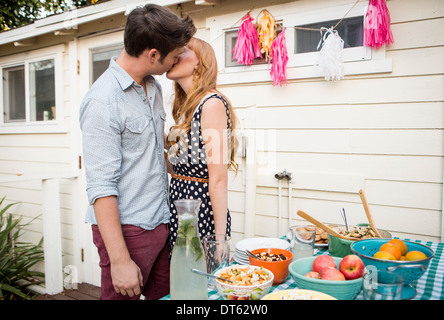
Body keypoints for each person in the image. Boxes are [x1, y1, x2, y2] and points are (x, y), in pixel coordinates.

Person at [79, 4, 195, 300]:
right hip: (128, 230)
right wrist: (119, 261)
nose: (177, 60)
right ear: (153, 54)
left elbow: (152, 154)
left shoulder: (153, 86)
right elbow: (101, 187)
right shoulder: (102, 102)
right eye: (173, 55)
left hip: (162, 219)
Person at [166, 37, 238, 250]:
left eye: (183, 49)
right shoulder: (187, 108)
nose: (175, 53)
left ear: (199, 63)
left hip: (199, 213)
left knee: (196, 281)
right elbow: (180, 169)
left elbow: (217, 178)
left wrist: (220, 238)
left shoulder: (211, 104)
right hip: (180, 209)